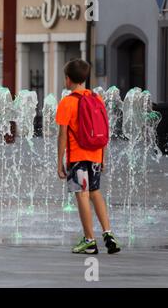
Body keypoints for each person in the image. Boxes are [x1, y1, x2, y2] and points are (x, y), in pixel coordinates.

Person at [55, 58, 121, 254]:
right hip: (95, 154)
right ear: (84, 78)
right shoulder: (96, 98)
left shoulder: (67, 102)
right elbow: (103, 130)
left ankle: (90, 241)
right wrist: (103, 158)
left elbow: (62, 135)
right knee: (95, 192)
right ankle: (108, 233)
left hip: (78, 156)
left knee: (82, 194)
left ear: (68, 79)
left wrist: (60, 162)